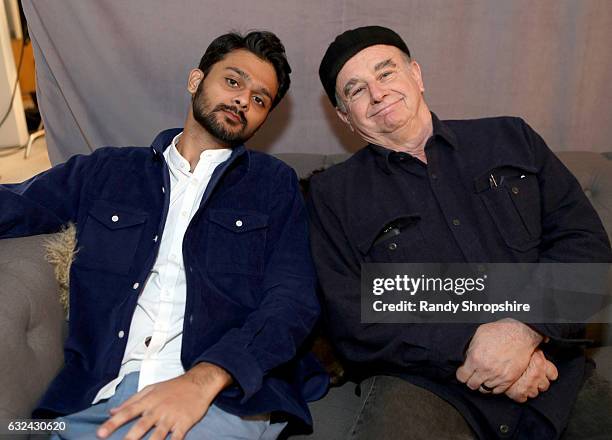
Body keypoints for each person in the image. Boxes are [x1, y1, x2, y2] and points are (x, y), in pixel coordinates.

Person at [0, 30, 327, 439]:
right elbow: (13, 205)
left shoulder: (272, 186)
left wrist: (204, 379)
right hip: (96, 398)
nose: (244, 99)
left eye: (260, 99)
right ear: (195, 81)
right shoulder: (109, 172)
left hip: (220, 397)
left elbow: (291, 302)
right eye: (233, 81)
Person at [308, 25, 612, 439]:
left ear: (416, 74)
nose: (377, 93)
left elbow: (587, 248)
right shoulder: (333, 193)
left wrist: (524, 330)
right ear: (344, 117)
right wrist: (473, 345)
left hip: (551, 367)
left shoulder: (511, 138)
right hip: (424, 386)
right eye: (356, 90)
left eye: (386, 73)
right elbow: (351, 314)